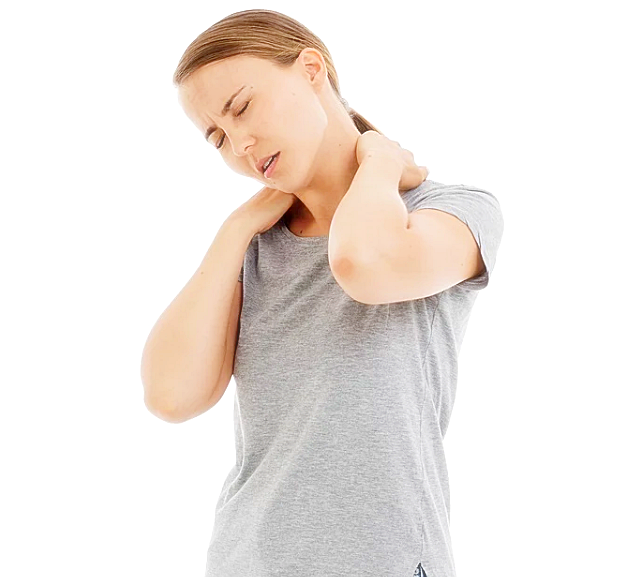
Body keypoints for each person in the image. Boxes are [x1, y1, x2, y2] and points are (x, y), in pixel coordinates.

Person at [171, 9, 504, 577]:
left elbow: (364, 264)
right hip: (245, 561)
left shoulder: (449, 211)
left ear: (311, 69)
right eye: (218, 138)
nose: (241, 144)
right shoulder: (252, 248)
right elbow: (173, 395)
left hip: (387, 561)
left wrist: (378, 163)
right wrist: (236, 228)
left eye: (243, 107)